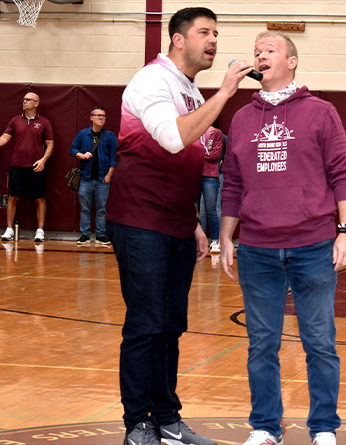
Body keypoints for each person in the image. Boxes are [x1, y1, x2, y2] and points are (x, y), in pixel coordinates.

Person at [104, 7, 254, 445]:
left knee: (171, 324)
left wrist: (192, 222)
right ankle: (138, 424)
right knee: (146, 323)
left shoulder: (189, 90)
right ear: (177, 39)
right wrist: (226, 92)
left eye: (216, 33)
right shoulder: (153, 79)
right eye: (204, 32)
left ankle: (167, 419)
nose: (213, 41)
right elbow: (172, 139)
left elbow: (182, 162)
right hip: (139, 219)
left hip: (174, 223)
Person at [220, 31, 346, 445]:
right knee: (262, 345)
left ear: (291, 61)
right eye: (256, 51)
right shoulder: (241, 118)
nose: (260, 55)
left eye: (270, 50)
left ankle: (323, 429)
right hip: (258, 248)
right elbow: (232, 184)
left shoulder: (321, 112)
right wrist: (226, 237)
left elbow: (343, 172)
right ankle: (265, 427)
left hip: (313, 245)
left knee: (319, 343)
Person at [0, 92, 54, 243]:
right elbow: (4, 139)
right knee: (12, 197)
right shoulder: (15, 120)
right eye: (24, 99)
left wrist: (43, 160)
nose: (25, 102)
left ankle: (40, 231)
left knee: (39, 198)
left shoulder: (44, 122)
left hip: (35, 166)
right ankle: (9, 229)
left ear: (36, 103)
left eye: (28, 100)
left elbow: (50, 144)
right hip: (16, 165)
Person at [70, 106, 117, 246]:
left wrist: (109, 175)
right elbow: (73, 149)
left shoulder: (110, 136)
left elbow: (114, 158)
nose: (101, 118)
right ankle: (84, 234)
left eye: (103, 116)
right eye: (97, 115)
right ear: (91, 118)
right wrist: (81, 155)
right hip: (85, 178)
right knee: (85, 208)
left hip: (103, 179)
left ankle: (101, 235)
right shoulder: (82, 134)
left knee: (101, 208)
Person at [197, 126, 223, 253]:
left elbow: (215, 155)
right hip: (194, 174)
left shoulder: (216, 133)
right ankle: (197, 241)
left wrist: (199, 153)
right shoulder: (195, 131)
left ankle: (215, 241)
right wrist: (205, 153)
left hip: (210, 176)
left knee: (211, 210)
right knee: (194, 211)